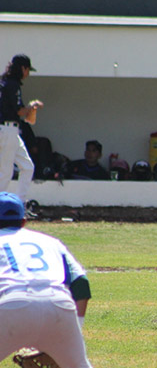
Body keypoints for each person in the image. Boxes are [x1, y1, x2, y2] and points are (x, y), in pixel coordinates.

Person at [0, 191, 93, 367]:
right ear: (23, 221)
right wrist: (74, 330)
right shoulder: (51, 242)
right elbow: (81, 284)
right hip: (60, 305)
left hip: (13, 303)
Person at [0, 54, 43, 202]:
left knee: (27, 167)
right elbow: (19, 111)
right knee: (5, 172)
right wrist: (32, 106)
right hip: (7, 129)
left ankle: (19, 204)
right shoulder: (13, 85)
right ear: (22, 68)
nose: (28, 74)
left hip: (10, 130)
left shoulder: (5, 82)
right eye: (27, 70)